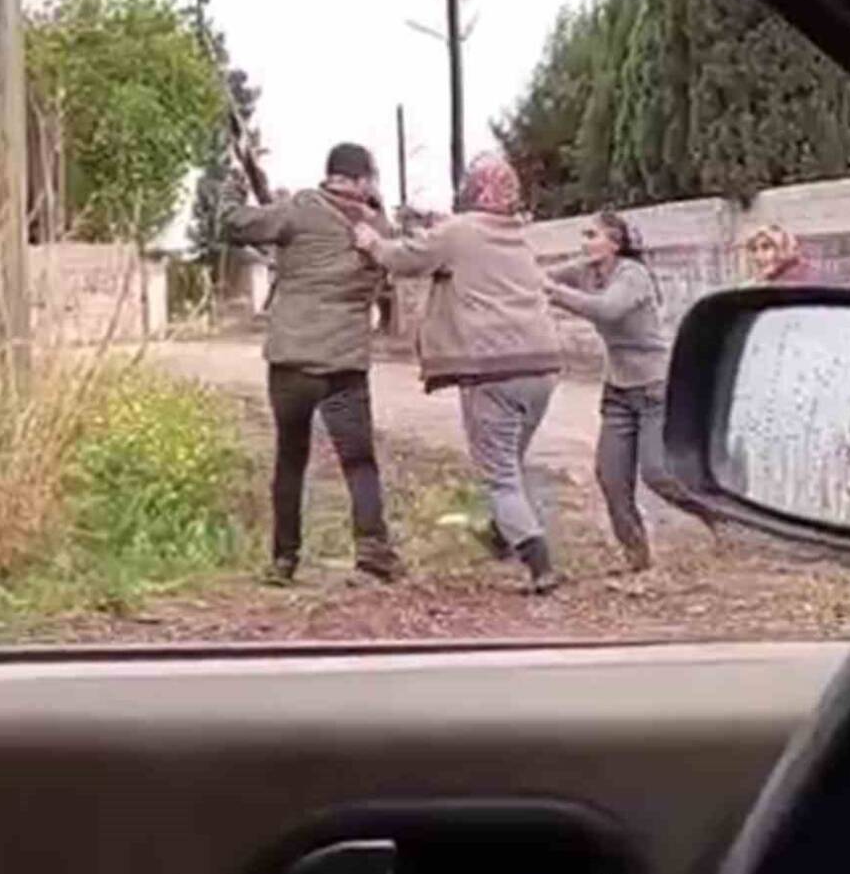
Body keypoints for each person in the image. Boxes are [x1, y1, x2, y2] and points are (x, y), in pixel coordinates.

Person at [355, 154, 564, 595]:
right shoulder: (517, 236)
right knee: (510, 461)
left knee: (500, 474)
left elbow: (406, 258)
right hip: (543, 367)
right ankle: (503, 534)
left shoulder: (459, 231)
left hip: (492, 368)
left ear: (475, 189)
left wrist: (372, 242)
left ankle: (538, 561)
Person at [224, 143, 403, 585]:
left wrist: (234, 186)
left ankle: (284, 560)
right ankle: (373, 551)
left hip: (293, 361)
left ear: (332, 174)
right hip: (345, 364)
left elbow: (236, 225)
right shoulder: (379, 227)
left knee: (291, 459)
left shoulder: (301, 209)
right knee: (359, 462)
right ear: (362, 179)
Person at [546, 210, 716, 571]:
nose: (584, 242)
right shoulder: (587, 271)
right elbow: (540, 277)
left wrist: (552, 293)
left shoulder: (632, 275)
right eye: (584, 235)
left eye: (592, 235)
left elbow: (607, 310)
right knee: (611, 477)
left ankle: (721, 516)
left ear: (615, 243)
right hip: (618, 390)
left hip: (654, 387)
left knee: (658, 474)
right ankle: (636, 557)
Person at [744, 224, 814, 284]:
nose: (758, 255)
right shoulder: (756, 283)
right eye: (754, 249)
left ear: (784, 247)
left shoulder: (806, 279)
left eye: (766, 247)